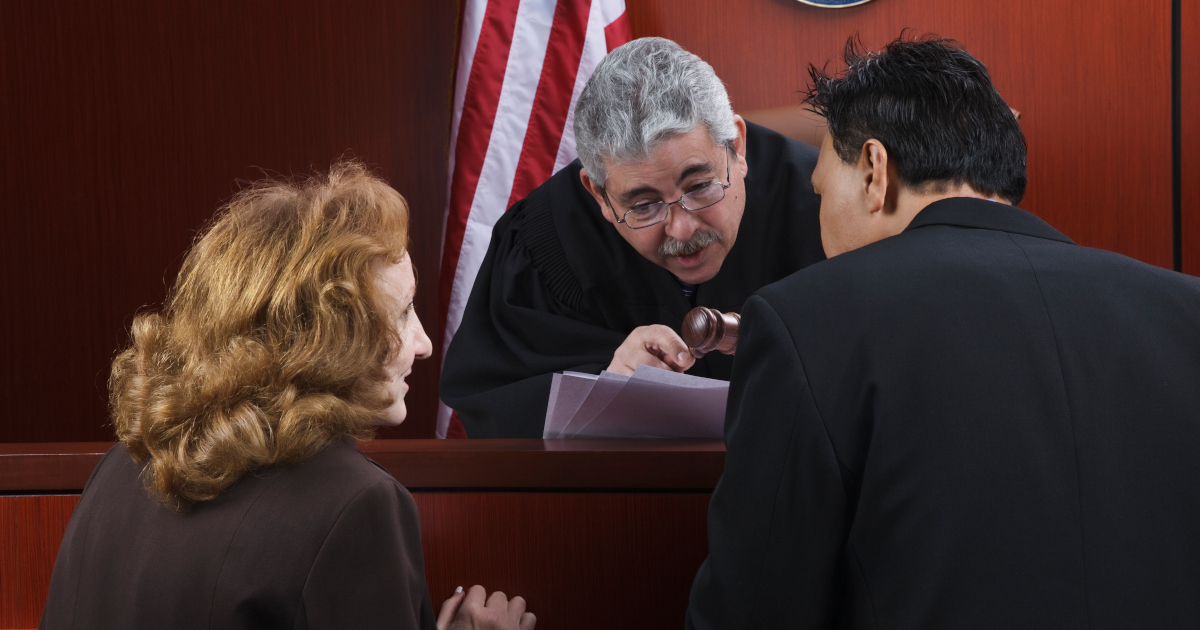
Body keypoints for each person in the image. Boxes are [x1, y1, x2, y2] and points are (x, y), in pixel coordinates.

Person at [687, 35, 1200, 629]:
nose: (820, 220)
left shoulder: (803, 318)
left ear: (876, 171)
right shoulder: (1187, 313)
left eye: (824, 191)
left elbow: (752, 609)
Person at [40, 163, 536, 630]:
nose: (425, 345)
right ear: (335, 336)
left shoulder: (118, 471)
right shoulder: (357, 506)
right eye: (404, 312)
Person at [440, 37, 826, 437]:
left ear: (737, 146)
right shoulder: (547, 235)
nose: (681, 229)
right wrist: (603, 385)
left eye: (699, 187)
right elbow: (494, 403)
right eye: (643, 206)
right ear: (599, 194)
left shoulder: (830, 206)